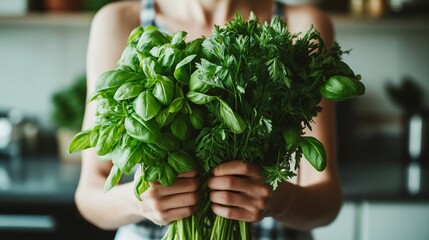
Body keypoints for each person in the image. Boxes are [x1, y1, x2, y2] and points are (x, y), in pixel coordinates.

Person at [74, 0, 342, 239]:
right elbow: (89, 195)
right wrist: (136, 201)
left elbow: (327, 200)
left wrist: (282, 201)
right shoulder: (120, 21)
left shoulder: (301, 25)